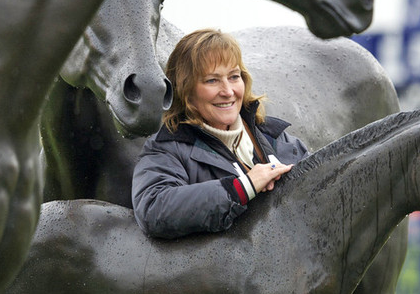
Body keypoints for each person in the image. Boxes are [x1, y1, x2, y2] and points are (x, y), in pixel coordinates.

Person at [132, 28, 308, 239]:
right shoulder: (166, 147)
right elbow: (153, 209)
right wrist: (243, 187)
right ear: (185, 90)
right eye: (212, 80)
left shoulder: (276, 137)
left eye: (234, 77)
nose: (227, 91)